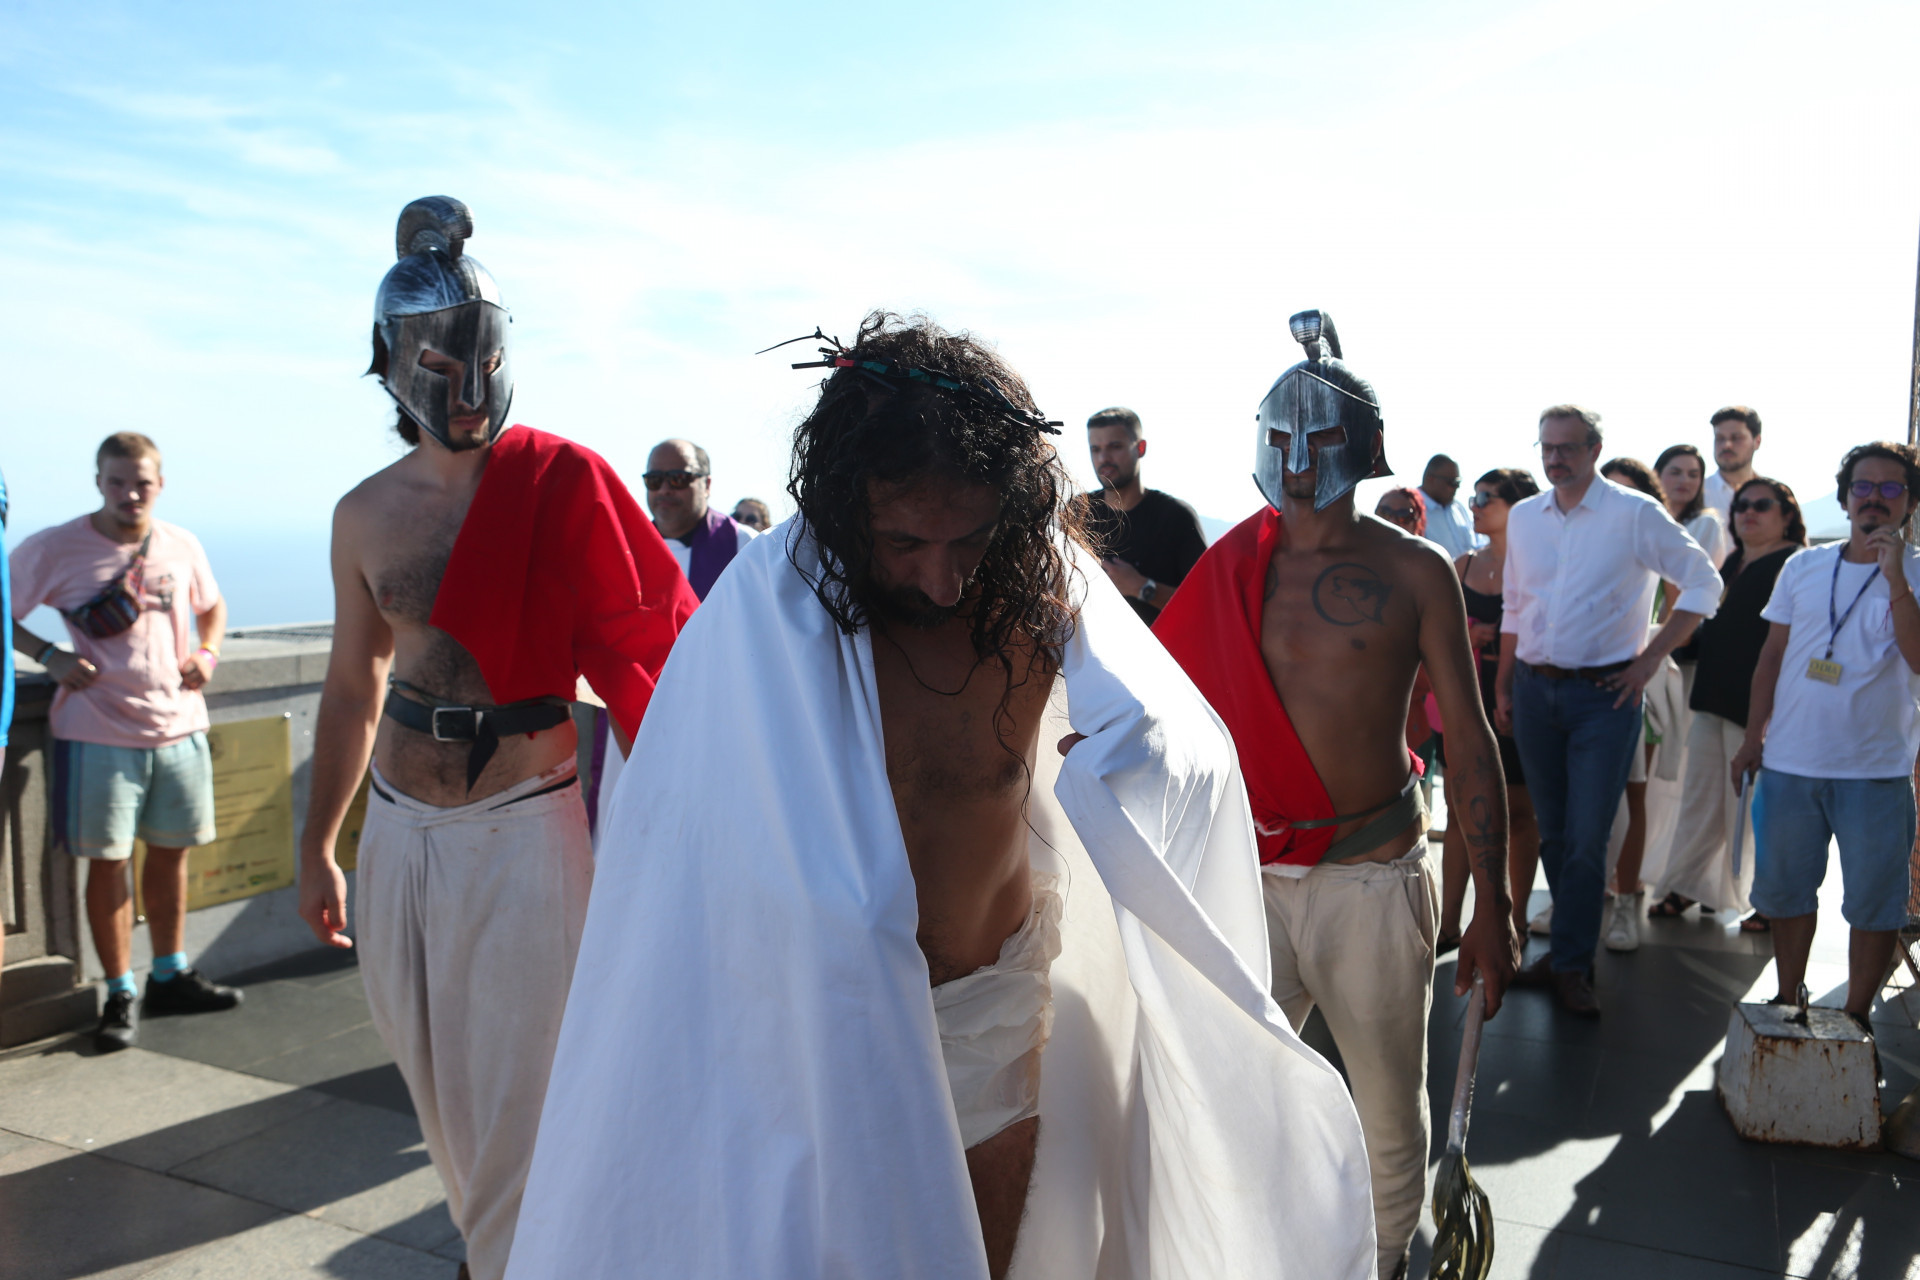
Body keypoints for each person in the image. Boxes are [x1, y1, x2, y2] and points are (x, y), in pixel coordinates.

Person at [507, 313, 1375, 1280]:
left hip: (985, 1012)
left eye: (968, 536)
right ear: (847, 507)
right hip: (807, 1016)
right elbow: (673, 822)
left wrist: (1124, 774)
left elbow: (1186, 747)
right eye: (904, 541)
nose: (941, 573)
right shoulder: (763, 609)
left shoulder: (1043, 600)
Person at [296, 197, 695, 1280]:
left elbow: (660, 646)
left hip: (524, 826)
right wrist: (318, 844)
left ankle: (517, 1263)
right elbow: (350, 684)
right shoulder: (364, 513)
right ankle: (504, 1251)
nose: (467, 383)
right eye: (440, 357)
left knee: (527, 1097)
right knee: (441, 1098)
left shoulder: (566, 480)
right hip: (398, 829)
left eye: (484, 355)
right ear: (393, 361)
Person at [1153, 311, 1518, 1280]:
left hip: (1372, 877)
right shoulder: (1231, 566)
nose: (1298, 456)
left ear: (1364, 448)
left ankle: (1386, 1256)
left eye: (1319, 437)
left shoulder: (1415, 568)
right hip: (1250, 877)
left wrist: (1494, 908)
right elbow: (1161, 709)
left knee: (1390, 1102)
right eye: (1280, 437)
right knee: (1232, 1083)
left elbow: (1472, 742)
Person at [9, 433, 237, 1052]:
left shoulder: (180, 543)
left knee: (171, 854)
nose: (129, 493)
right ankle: (120, 990)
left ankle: (170, 973)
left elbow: (211, 608)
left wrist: (208, 653)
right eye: (116, 481)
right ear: (98, 482)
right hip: (96, 730)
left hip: (180, 724)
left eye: (141, 482)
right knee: (108, 864)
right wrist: (49, 655)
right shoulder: (55, 548)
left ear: (160, 484)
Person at [1496, 407, 1720, 1014]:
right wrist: (1503, 685)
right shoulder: (1524, 517)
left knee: (1589, 836)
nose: (1554, 458)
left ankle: (1570, 965)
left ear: (1595, 449)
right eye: (1546, 447)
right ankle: (1566, 955)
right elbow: (1515, 607)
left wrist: (1650, 660)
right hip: (1535, 692)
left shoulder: (1635, 513)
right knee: (1558, 832)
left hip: (1607, 697)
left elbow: (1704, 585)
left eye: (1567, 447)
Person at [1732, 442, 1920, 1029]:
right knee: (1787, 894)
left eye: (1891, 489)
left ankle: (1856, 1017)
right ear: (1845, 497)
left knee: (1873, 902)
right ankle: (1789, 999)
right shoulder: (1804, 566)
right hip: (1791, 762)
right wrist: (1752, 737)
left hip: (1877, 770)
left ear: (1908, 503)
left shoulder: (1915, 571)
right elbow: (1770, 657)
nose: (1875, 499)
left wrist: (1894, 578)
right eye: (1864, 487)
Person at [1651, 477, 1806, 926]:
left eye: (1762, 504)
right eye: (1741, 505)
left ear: (1788, 516)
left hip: (1760, 710)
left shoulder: (1792, 564)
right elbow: (1720, 630)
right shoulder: (1735, 561)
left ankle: (1769, 901)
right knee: (1701, 802)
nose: (1748, 512)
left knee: (1756, 811)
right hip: (1714, 698)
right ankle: (1685, 886)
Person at [1438, 467, 1541, 950]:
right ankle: (1446, 926)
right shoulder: (1461, 566)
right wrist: (1470, 634)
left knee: (1520, 816)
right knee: (1459, 813)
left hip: (1521, 702)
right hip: (1465, 699)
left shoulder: (1540, 564)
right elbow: (1436, 634)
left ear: (1518, 508)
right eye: (1474, 496)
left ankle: (1515, 923)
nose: (1474, 504)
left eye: (1487, 497)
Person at [1078, 406, 1209, 624]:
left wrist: (1142, 588)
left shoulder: (1176, 517)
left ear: (1140, 448)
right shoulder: (1077, 513)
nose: (1104, 458)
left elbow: (1207, 604)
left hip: (1159, 655)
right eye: (1095, 449)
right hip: (1088, 656)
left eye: (1115, 446)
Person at [644, 437, 758, 599]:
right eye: (654, 480)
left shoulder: (744, 544)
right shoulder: (630, 549)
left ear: (707, 485)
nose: (664, 490)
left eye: (678, 478)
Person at [1657, 443, 1733, 568]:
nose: (1684, 480)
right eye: (1675, 472)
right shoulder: (1642, 519)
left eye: (1693, 475)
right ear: (1657, 475)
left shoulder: (1706, 524)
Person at [1418, 452, 1484, 560]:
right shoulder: (1412, 509)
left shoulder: (1458, 508)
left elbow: (1477, 544)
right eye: (1452, 482)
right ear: (1431, 479)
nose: (1456, 487)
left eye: (1458, 482)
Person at [1702, 406, 1763, 519]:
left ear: (1757, 441)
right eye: (1720, 438)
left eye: (1736, 438)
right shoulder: (1697, 495)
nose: (1726, 445)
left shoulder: (1774, 495)